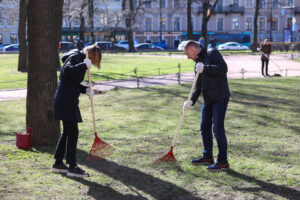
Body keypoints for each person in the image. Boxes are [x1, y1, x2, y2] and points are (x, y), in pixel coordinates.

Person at [52, 44, 102, 178]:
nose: (93, 63)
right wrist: (83, 65)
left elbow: (72, 82)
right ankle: (72, 166)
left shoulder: (81, 61)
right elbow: (66, 72)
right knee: (73, 133)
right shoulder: (75, 58)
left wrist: (86, 90)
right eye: (94, 59)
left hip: (68, 100)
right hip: (65, 101)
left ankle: (58, 164)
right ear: (90, 54)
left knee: (67, 133)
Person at [183, 40, 231, 172]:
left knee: (217, 129)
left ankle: (222, 162)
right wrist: (191, 100)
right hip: (208, 99)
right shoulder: (197, 64)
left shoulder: (212, 53)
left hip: (220, 96)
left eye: (187, 54)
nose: (187, 57)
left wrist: (205, 68)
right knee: (204, 126)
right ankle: (207, 156)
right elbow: (197, 85)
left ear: (193, 48)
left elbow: (223, 69)